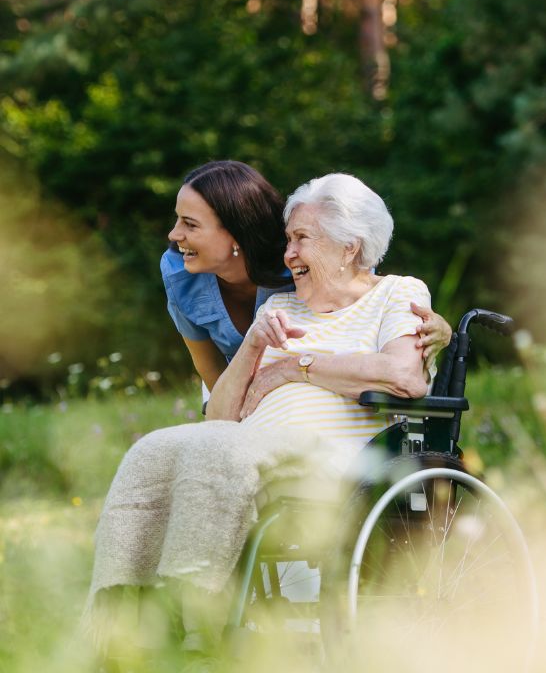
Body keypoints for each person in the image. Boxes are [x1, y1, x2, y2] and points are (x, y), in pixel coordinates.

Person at [87, 173, 447, 661]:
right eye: (288, 239)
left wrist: (295, 366)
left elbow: (404, 374)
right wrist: (256, 343)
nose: (288, 254)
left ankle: (192, 609)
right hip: (252, 448)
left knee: (221, 448)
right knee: (152, 449)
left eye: (302, 239)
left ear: (348, 248)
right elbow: (218, 416)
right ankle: (119, 611)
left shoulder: (396, 294)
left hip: (336, 457)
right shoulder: (279, 305)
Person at [161, 161, 450, 398]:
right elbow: (210, 369)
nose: (174, 235)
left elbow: (362, 296)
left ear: (236, 232)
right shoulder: (179, 272)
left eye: (190, 224)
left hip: (310, 392)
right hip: (238, 388)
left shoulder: (296, 262)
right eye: (178, 219)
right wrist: (237, 419)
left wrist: (435, 330)